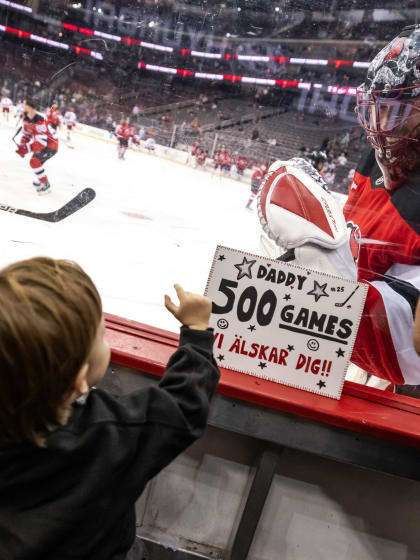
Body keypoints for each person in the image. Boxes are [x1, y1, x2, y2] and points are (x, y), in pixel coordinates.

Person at [0, 257, 220, 559]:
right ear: (77, 379)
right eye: (102, 336)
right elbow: (184, 405)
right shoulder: (111, 433)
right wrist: (196, 333)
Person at [258, 25, 420, 391]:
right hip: (344, 356)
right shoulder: (375, 161)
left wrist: (325, 282)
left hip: (396, 391)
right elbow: (358, 240)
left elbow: (414, 342)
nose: (381, 128)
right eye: (377, 110)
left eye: (397, 111)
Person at [16, 98, 58, 195]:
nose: (23, 106)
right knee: (37, 161)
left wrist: (26, 149)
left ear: (30, 107)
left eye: (24, 104)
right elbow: (26, 134)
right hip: (43, 144)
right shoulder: (26, 118)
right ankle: (41, 179)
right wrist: (22, 145)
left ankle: (45, 184)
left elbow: (42, 143)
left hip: (51, 145)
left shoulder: (40, 120)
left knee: (35, 161)